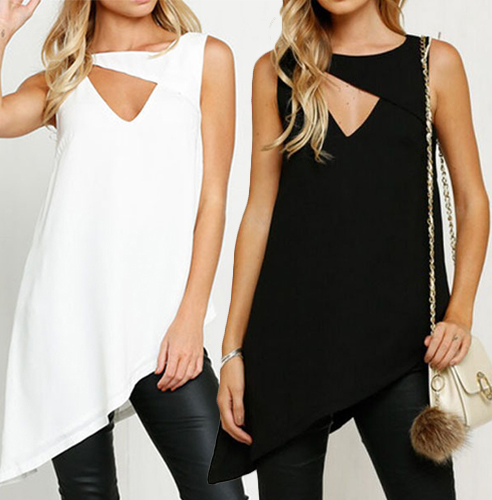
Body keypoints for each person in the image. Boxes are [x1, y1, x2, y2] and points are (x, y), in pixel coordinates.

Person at [208, 1, 490, 499]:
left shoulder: (434, 64)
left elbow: (472, 200)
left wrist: (460, 312)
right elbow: (258, 213)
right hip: (288, 344)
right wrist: (233, 349)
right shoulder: (276, 72)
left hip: (404, 343)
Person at [0, 0, 247, 498]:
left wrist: (191, 317)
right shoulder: (64, 78)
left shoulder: (205, 58)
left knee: (219, 490)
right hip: (67, 325)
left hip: (164, 322)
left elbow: (214, 198)